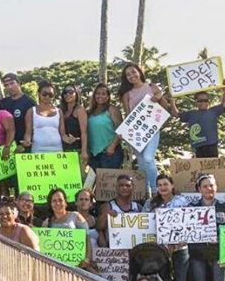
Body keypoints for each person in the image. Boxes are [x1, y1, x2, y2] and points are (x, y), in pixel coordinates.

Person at [118, 63, 168, 193]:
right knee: (141, 165)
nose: (131, 76)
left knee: (148, 158)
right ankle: (145, 195)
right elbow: (128, 115)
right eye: (128, 75)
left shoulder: (152, 87)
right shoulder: (126, 94)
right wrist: (127, 134)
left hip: (151, 129)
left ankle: (157, 191)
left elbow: (164, 106)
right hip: (135, 133)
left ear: (139, 72)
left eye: (133, 72)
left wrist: (158, 98)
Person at [143, 174, 189, 281]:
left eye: (165, 184)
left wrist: (179, 242)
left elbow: (189, 224)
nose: (163, 187)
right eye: (160, 185)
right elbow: (143, 224)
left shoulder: (182, 201)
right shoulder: (150, 204)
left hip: (181, 250)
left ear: (172, 185)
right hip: (159, 251)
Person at [189, 174, 225, 281]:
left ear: (216, 187)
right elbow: (185, 230)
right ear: (199, 189)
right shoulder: (191, 209)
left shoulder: (223, 207)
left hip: (219, 255)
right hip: (198, 255)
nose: (209, 189)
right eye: (205, 186)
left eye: (212, 185)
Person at [42, 188, 92, 270]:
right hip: (54, 267)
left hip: (76, 267)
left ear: (65, 202)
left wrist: (87, 259)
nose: (57, 203)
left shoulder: (76, 216)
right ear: (50, 204)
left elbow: (87, 239)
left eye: (60, 200)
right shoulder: (46, 223)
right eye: (54, 201)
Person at [170, 89, 225, 158]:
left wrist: (224, 91)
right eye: (200, 101)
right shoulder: (191, 114)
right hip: (198, 146)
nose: (203, 103)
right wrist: (172, 102)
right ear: (196, 102)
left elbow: (223, 105)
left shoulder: (213, 111)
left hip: (212, 145)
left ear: (209, 102)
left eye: (205, 100)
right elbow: (176, 114)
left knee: (212, 167)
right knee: (201, 168)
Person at [97, 174, 143, 247]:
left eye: (127, 186)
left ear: (133, 187)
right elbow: (99, 227)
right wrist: (106, 215)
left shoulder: (138, 207)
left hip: (135, 248)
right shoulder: (108, 206)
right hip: (115, 250)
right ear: (116, 187)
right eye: (121, 185)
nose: (124, 188)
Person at [87, 83, 124, 169]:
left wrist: (112, 146)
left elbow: (121, 130)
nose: (100, 96)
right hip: (93, 154)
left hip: (110, 153)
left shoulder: (112, 110)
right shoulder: (89, 112)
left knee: (109, 181)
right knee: (96, 182)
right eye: (98, 93)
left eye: (103, 94)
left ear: (108, 96)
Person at [0, 73, 36, 152]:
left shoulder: (29, 102)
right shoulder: (2, 103)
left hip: (23, 147)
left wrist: (24, 144)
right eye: (6, 85)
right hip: (5, 146)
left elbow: (33, 126)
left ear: (18, 83)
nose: (9, 87)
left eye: (12, 83)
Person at [23, 81, 61, 153]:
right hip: (38, 150)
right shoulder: (31, 111)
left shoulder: (59, 111)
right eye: (44, 94)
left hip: (57, 150)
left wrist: (69, 139)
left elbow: (63, 133)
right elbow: (28, 132)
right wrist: (27, 141)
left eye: (50, 94)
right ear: (39, 94)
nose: (47, 97)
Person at [60, 84, 88, 164]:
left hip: (77, 149)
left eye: (71, 92)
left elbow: (84, 132)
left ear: (77, 94)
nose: (67, 94)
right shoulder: (63, 110)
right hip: (64, 150)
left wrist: (84, 151)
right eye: (65, 92)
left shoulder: (79, 109)